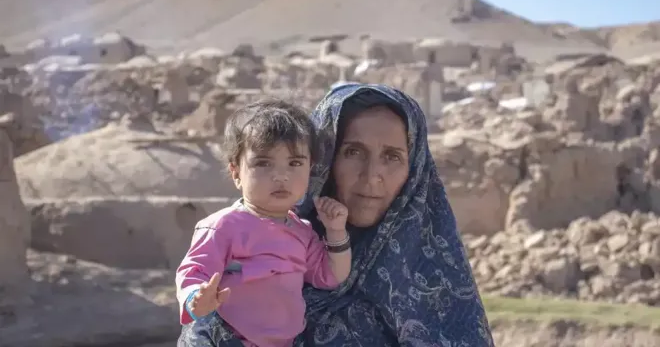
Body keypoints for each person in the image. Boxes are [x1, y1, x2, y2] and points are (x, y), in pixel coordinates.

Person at [179, 84, 494, 346]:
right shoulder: (233, 276)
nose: (372, 176)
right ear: (324, 160)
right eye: (353, 152)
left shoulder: (440, 285)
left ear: (414, 170)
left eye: (392, 157)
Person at [176, 99, 353, 347]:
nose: (281, 176)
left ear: (310, 168)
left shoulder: (303, 233)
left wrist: (336, 231)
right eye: (263, 163)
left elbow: (331, 276)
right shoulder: (223, 226)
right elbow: (194, 272)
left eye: (294, 163)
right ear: (236, 172)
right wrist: (196, 299)